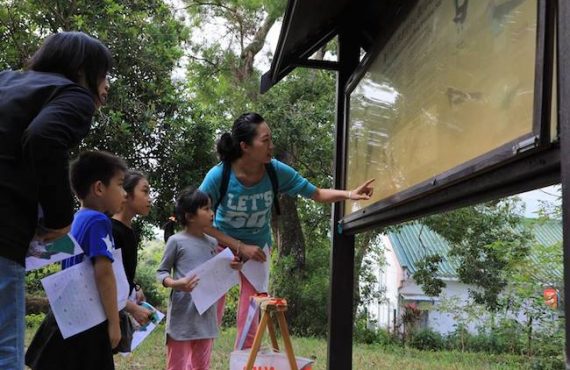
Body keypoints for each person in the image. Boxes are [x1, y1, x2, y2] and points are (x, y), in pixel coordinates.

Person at [199, 112, 374, 349]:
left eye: (271, 139)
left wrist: (349, 194)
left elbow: (316, 193)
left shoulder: (275, 170)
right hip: (223, 246)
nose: (272, 146)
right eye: (265, 140)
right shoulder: (219, 176)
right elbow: (201, 223)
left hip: (258, 249)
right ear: (245, 146)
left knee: (251, 317)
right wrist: (239, 247)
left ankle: (244, 365)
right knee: (209, 317)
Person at [0, 31, 111, 369]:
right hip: (3, 231)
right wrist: (59, 218)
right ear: (81, 69)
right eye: (104, 75)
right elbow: (44, 137)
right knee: (6, 354)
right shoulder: (72, 94)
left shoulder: (5, 80)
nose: (105, 87)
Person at [25, 151, 127, 370]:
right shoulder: (99, 220)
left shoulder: (75, 220)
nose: (124, 193)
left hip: (68, 316)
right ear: (99, 188)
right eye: (120, 185)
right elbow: (104, 273)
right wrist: (114, 322)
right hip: (90, 320)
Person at [157, 187, 242, 370]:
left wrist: (233, 266)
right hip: (182, 317)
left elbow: (215, 273)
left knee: (202, 366)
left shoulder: (213, 243)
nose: (212, 213)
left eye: (211, 208)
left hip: (206, 316)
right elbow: (161, 273)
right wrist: (176, 284)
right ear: (190, 216)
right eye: (206, 209)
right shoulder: (176, 241)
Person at [111, 170, 153, 342]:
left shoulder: (129, 231)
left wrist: (134, 286)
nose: (150, 198)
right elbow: (105, 278)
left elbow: (119, 272)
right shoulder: (111, 230)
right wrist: (132, 308)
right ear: (126, 195)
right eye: (145, 191)